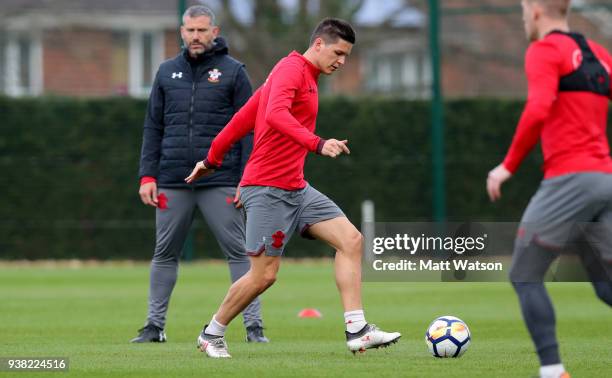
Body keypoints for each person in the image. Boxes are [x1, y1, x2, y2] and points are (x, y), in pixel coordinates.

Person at [185, 17, 401, 359]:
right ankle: (212, 333)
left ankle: (357, 330)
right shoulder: (290, 70)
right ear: (318, 44)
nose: (342, 61)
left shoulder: (304, 77)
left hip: (297, 188)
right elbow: (274, 116)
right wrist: (318, 143)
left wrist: (211, 160)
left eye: (346, 55)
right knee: (264, 276)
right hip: (268, 188)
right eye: (338, 52)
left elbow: (242, 119)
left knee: (351, 240)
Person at [486, 1, 612, 377]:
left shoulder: (543, 51)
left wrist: (506, 167)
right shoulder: (599, 54)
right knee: (606, 287)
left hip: (569, 181)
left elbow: (538, 109)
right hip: (605, 180)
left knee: (524, 274)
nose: (524, 17)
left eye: (524, 10)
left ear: (536, 11)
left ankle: (553, 370)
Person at [132, 5, 268, 344]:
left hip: (221, 180)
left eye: (202, 30)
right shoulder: (166, 72)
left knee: (241, 253)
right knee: (164, 254)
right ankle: (153, 327)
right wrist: (147, 176)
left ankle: (254, 329)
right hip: (172, 179)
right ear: (181, 32)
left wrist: (247, 178)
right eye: (190, 30)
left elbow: (251, 129)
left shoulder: (234, 72)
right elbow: (153, 126)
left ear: (215, 31)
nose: (195, 36)